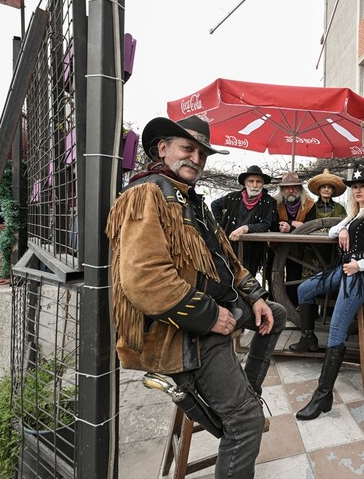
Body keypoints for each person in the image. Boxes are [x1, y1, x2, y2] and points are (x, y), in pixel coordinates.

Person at [105, 115, 288, 477]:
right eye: (188, 149)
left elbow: (228, 260)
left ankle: (243, 396)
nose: (196, 159)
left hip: (218, 309)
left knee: (276, 313)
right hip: (182, 331)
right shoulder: (147, 194)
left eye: (202, 153)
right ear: (163, 149)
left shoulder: (191, 200)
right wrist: (210, 315)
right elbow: (145, 281)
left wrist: (254, 296)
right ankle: (242, 415)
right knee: (247, 422)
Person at [294, 166, 364, 419]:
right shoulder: (355, 213)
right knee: (304, 289)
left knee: (336, 329)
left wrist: (361, 265)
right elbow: (331, 231)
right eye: (355, 187)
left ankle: (323, 395)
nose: (357, 190)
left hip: (360, 275)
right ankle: (308, 338)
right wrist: (344, 228)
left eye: (362, 186)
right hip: (345, 269)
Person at [289, 169, 348, 351]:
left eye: (329, 187)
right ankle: (309, 327)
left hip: (334, 253)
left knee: (332, 285)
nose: (326, 189)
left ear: (333, 190)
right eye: (323, 187)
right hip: (313, 253)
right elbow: (305, 227)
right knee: (308, 285)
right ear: (319, 190)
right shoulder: (310, 207)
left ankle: (330, 323)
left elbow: (346, 225)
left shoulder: (340, 209)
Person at [211, 165, 277, 276]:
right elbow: (215, 205)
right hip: (230, 245)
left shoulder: (269, 202)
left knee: (248, 278)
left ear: (263, 184)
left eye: (258, 182)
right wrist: (221, 226)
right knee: (228, 276)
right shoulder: (233, 197)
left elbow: (266, 224)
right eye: (251, 181)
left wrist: (246, 228)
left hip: (253, 249)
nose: (254, 185)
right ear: (245, 183)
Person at [274, 172, 316, 305]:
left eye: (294, 187)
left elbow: (310, 226)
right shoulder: (275, 203)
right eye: (287, 187)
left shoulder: (309, 204)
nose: (291, 190)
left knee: (294, 277)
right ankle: (275, 306)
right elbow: (272, 223)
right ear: (282, 189)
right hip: (276, 248)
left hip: (299, 248)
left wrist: (289, 227)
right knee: (273, 277)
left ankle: (293, 308)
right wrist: (293, 223)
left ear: (300, 188)